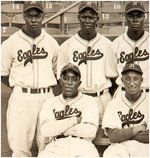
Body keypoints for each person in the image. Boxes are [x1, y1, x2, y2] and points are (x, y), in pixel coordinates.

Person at [1, 1, 59, 157]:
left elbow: (57, 72)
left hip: (47, 97)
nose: (34, 20)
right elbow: (3, 73)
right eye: (30, 15)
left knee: (48, 147)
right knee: (20, 149)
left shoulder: (51, 43)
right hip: (21, 97)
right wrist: (19, 87)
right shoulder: (11, 43)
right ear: (23, 16)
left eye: (37, 15)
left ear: (43, 16)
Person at [57, 1, 113, 145]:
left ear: (97, 18)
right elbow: (61, 80)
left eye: (91, 16)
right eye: (84, 16)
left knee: (104, 141)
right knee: (78, 141)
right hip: (78, 98)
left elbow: (114, 77)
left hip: (102, 96)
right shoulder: (66, 46)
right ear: (78, 17)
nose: (87, 20)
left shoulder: (108, 45)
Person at [37, 63, 99, 157]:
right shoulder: (50, 103)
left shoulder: (89, 101)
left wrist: (58, 128)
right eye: (66, 78)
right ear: (60, 81)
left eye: (74, 79)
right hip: (56, 145)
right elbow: (46, 130)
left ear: (79, 83)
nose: (69, 83)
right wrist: (74, 121)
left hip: (82, 144)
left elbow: (90, 131)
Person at [102, 61, 149, 157]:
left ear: (141, 80)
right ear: (122, 81)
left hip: (144, 147)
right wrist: (137, 129)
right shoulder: (113, 104)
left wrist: (123, 134)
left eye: (136, 79)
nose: (132, 83)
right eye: (128, 79)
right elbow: (113, 137)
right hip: (119, 147)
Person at [106, 1, 149, 97]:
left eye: (139, 16)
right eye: (131, 16)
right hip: (123, 93)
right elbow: (112, 76)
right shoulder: (115, 44)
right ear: (125, 17)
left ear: (144, 17)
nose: (135, 19)